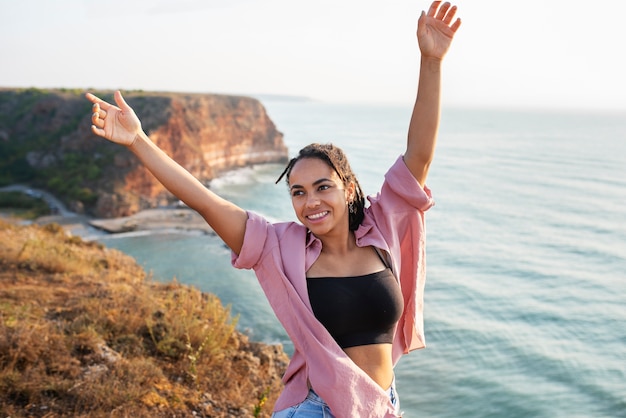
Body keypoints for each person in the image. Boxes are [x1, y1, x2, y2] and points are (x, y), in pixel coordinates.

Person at [86, 1, 460, 416]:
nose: (310, 201)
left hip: (384, 405)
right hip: (320, 409)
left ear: (349, 188)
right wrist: (138, 140)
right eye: (297, 192)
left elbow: (419, 155)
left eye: (322, 187)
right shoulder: (279, 246)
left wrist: (431, 61)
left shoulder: (383, 227)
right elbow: (205, 201)